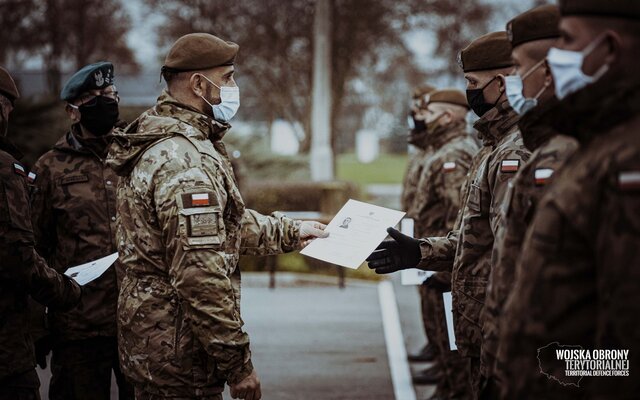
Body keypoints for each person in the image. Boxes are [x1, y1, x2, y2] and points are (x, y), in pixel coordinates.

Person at [106, 33, 328, 400]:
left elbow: (223, 225)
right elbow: (199, 273)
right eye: (227, 78)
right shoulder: (185, 162)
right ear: (198, 84)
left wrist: (292, 231)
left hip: (155, 345)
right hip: (179, 358)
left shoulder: (168, 138)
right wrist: (238, 365)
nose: (233, 87)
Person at [367, 31, 531, 397]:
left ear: (500, 85)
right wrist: (420, 252)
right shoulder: (492, 146)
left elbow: (511, 254)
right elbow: (475, 236)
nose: (469, 91)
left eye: (473, 82)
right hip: (480, 323)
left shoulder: (513, 151)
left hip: (498, 327)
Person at [499, 1, 640, 398]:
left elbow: (625, 351)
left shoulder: (627, 160)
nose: (554, 56)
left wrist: (548, 366)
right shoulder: (594, 145)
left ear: (608, 49)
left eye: (567, 39)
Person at [480, 5, 581, 399]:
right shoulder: (546, 149)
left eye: (519, 71)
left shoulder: (580, 154)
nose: (514, 83)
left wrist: (548, 374)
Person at [29, 61, 134, 400]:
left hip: (141, 322)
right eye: (93, 98)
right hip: (78, 328)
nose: (105, 102)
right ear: (72, 111)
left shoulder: (137, 156)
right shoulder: (50, 168)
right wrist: (36, 325)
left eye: (109, 94)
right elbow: (34, 249)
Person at [0, 66, 82, 399]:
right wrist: (64, 290)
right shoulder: (4, 169)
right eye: (6, 107)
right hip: (5, 354)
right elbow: (17, 256)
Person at [408, 89, 479, 398]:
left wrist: (443, 268)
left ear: (448, 116)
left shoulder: (453, 154)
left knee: (455, 345)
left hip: (444, 263)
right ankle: (448, 385)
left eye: (429, 113)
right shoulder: (442, 150)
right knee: (443, 337)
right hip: (432, 256)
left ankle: (453, 390)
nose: (421, 119)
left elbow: (457, 218)